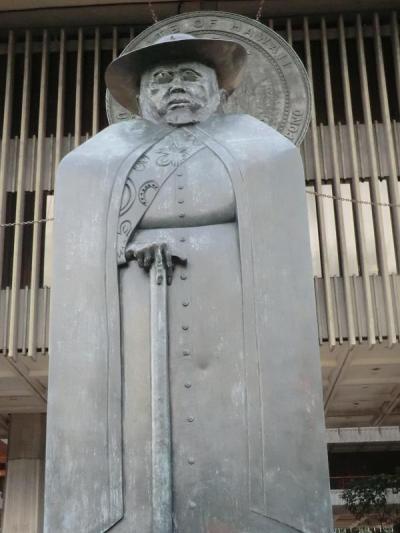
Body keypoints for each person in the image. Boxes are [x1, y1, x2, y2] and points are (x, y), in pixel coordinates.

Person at [44, 33, 333, 532]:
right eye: (160, 79)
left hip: (233, 324)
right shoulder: (97, 159)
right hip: (135, 320)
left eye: (189, 76)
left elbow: (279, 254)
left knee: (234, 432)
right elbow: (82, 254)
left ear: (220, 89)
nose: (175, 87)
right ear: (140, 96)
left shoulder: (263, 150)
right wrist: (128, 255)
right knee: (137, 433)